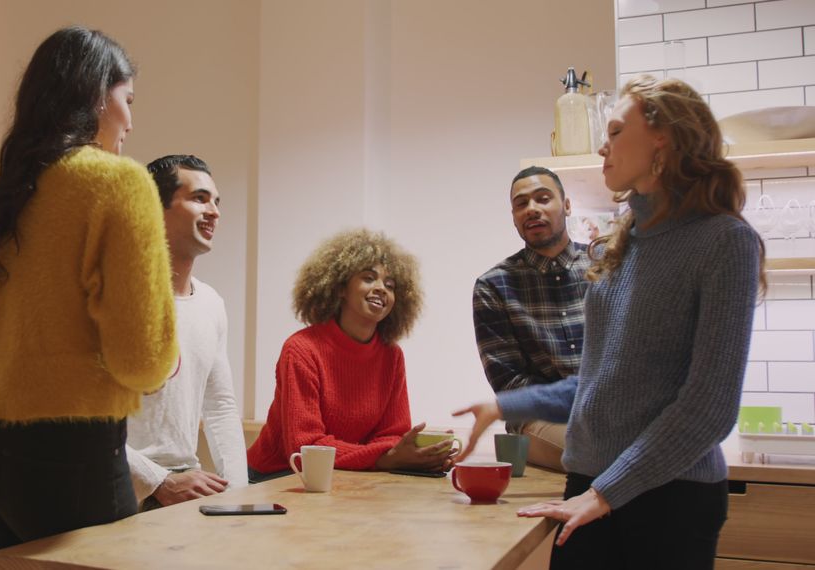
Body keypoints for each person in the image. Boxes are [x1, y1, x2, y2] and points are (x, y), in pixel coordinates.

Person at [453, 75, 764, 570]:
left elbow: (709, 409)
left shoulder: (724, 242)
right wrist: (503, 404)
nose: (603, 145)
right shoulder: (622, 244)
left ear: (662, 140)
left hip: (668, 498)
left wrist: (605, 494)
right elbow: (600, 383)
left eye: (616, 132)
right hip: (591, 486)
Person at [0, 27, 177, 569]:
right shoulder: (118, 183)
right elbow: (142, 360)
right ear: (96, 96)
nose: (131, 122)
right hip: (70, 457)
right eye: (127, 101)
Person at [248, 228, 453, 482]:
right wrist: (384, 457)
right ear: (341, 287)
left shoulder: (392, 356)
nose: (381, 289)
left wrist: (400, 454)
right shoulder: (301, 349)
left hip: (346, 476)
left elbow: (392, 434)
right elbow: (305, 449)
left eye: (390, 285)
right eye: (369, 278)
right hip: (278, 477)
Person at [126, 155, 248, 510]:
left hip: (186, 486)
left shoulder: (211, 302)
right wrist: (158, 481)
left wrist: (240, 497)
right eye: (199, 198)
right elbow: (87, 420)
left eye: (216, 201)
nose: (214, 212)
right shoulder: (118, 297)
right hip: (122, 488)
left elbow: (221, 406)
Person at [472, 166, 590, 472]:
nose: (532, 209)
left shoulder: (606, 266)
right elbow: (509, 382)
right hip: (539, 417)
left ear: (566, 205)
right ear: (513, 216)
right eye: (521, 204)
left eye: (543, 198)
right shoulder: (494, 286)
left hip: (612, 407)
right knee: (594, 448)